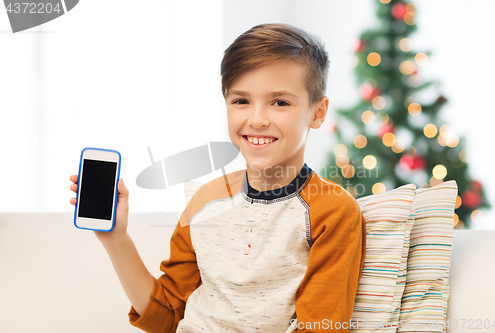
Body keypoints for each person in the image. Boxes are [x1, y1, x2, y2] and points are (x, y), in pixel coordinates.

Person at [69, 23, 366, 333]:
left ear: (318, 113)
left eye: (280, 102)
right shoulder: (206, 200)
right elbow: (166, 316)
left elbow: (322, 326)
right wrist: (116, 238)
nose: (257, 119)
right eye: (241, 101)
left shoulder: (332, 211)